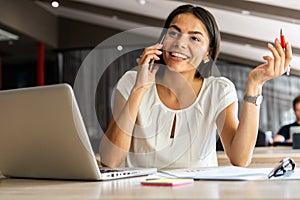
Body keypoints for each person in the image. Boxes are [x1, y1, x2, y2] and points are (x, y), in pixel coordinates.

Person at [99, 4, 292, 169]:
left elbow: (240, 159)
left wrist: (255, 84)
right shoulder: (131, 81)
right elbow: (110, 161)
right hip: (139, 193)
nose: (180, 43)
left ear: (208, 52)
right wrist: (139, 90)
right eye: (173, 33)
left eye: (194, 38)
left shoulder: (218, 90)